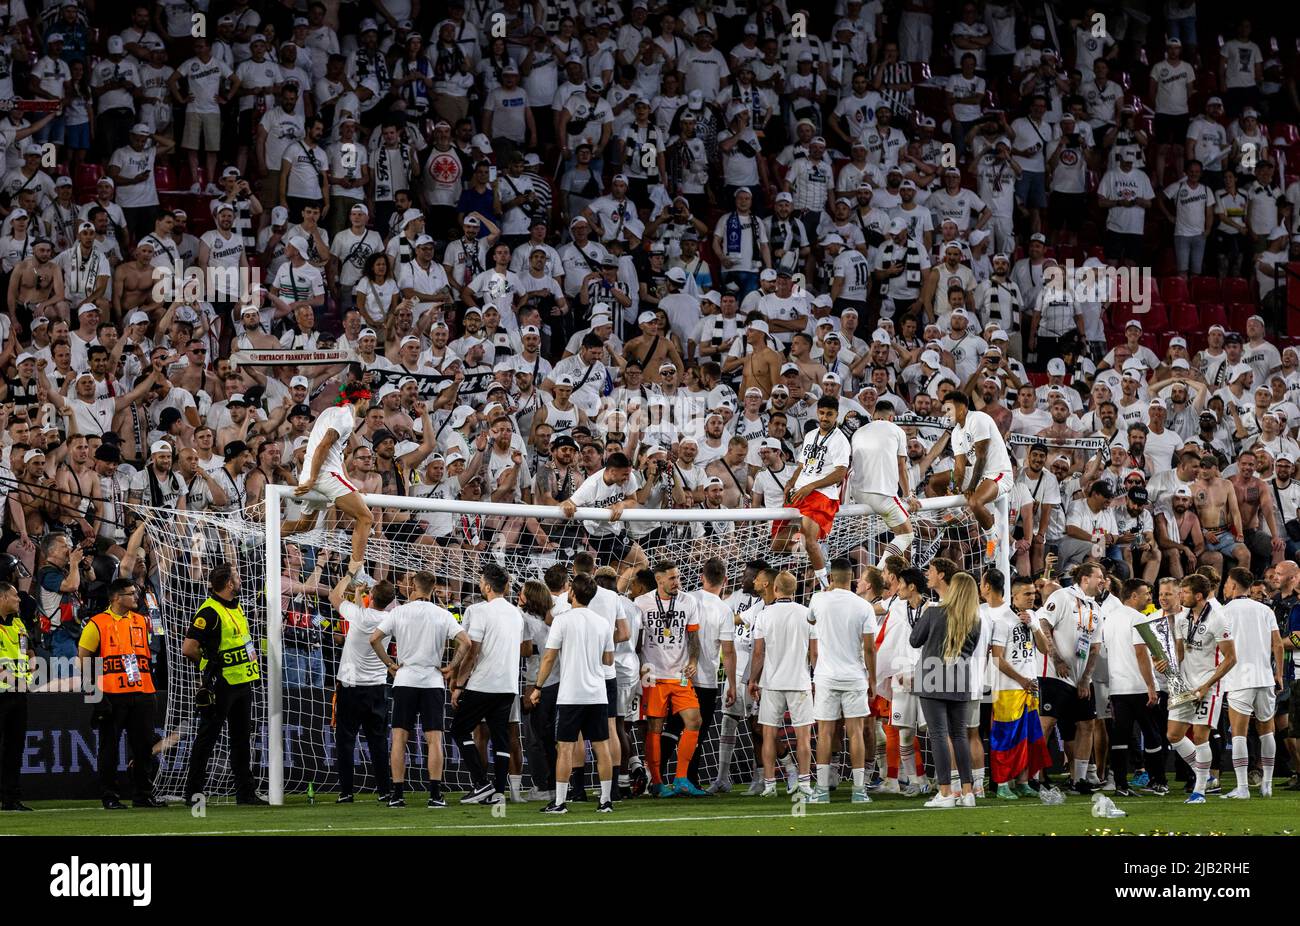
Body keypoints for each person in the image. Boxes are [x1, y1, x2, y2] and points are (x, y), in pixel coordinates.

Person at [371, 570, 469, 808]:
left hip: (405, 680)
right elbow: (466, 642)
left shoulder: (399, 612)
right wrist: (451, 667)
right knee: (434, 740)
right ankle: (435, 795)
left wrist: (390, 665)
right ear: (433, 589)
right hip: (432, 681)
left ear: (413, 586)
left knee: (399, 739)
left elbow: (374, 639)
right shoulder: (442, 614)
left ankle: (397, 795)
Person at [529, 573, 616, 814]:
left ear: (573, 594)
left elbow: (548, 657)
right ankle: (606, 801)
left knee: (565, 749)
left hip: (571, 695)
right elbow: (608, 660)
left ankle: (559, 802)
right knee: (602, 747)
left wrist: (537, 687)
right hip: (597, 694)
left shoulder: (562, 621)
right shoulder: (602, 623)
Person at [181, 563, 266, 806]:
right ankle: (194, 793)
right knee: (208, 738)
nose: (240, 580)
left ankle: (245, 793)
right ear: (229, 583)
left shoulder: (235, 607)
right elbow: (188, 648)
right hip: (221, 684)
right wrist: (209, 665)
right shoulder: (208, 612)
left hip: (242, 681)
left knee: (241, 739)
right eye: (237, 576)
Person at [78, 577, 165, 809]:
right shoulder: (97, 624)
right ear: (116, 597)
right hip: (112, 695)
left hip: (143, 691)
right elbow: (83, 661)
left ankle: (143, 794)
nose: (135, 597)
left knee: (144, 747)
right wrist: (95, 696)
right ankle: (109, 796)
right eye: (130, 593)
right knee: (109, 747)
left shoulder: (142, 621)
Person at [447, 562, 525, 805]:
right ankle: (498, 793)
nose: (479, 584)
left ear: (488, 586)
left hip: (483, 684)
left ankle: (481, 784)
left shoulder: (480, 611)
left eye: (481, 581)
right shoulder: (516, 613)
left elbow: (472, 651)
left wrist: (459, 683)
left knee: (459, 730)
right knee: (501, 738)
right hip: (508, 685)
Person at [908, 572, 984, 808]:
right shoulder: (975, 619)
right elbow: (969, 653)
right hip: (960, 678)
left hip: (932, 678)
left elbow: (914, 640)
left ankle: (945, 792)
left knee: (939, 734)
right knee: (960, 735)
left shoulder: (933, 612)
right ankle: (968, 791)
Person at [634, 559, 708, 798]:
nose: (678, 582)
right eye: (673, 578)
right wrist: (638, 667)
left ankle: (682, 778)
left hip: (680, 675)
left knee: (694, 720)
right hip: (653, 675)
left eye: (678, 577)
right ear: (659, 579)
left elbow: (693, 637)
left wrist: (694, 661)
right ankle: (656, 782)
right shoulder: (641, 603)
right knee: (654, 728)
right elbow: (635, 641)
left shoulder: (689, 601)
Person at [293, 379, 376, 582]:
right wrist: (313, 479)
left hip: (316, 473)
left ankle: (269, 535)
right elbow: (323, 446)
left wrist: (350, 485)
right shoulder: (345, 417)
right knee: (366, 518)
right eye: (369, 402)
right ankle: (356, 573)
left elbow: (336, 455)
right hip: (323, 476)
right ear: (363, 400)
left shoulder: (331, 412)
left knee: (304, 526)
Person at [809, 557, 876, 803]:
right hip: (855, 675)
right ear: (853, 577)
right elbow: (869, 650)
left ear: (831, 577)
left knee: (825, 733)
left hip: (826, 676)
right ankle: (859, 791)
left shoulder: (818, 599)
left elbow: (811, 620)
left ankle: (822, 791)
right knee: (856, 732)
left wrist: (826, 592)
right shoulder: (863, 607)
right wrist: (873, 679)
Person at [1166, 573, 1237, 804]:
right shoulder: (1181, 619)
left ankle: (1199, 792)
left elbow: (1231, 658)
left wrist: (1206, 685)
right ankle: (1204, 774)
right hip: (1185, 685)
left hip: (1209, 685)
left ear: (1198, 596)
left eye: (1184, 592)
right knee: (1174, 735)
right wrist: (1166, 664)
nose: (1180, 595)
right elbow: (1180, 652)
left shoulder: (1218, 619)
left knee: (1199, 736)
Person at [1038, 562, 1106, 795]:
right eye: (1099, 577)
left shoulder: (1096, 608)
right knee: (1046, 724)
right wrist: (1056, 658)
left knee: (1086, 725)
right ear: (1085, 579)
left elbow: (1095, 647)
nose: (1103, 581)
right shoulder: (1063, 596)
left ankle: (1078, 780)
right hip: (1053, 674)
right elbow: (1043, 622)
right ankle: (1036, 777)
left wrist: (1086, 678)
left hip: (1078, 678)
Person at [328, 571, 396, 804]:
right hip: (377, 687)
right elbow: (365, 616)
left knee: (345, 739)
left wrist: (348, 575)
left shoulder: (359, 615)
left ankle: (347, 791)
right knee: (378, 741)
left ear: (372, 596)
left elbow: (333, 596)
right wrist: (359, 594)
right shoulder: (389, 619)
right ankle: (384, 790)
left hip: (351, 686)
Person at [748, 570, 816, 798]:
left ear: (775, 589)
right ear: (794, 590)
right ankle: (805, 784)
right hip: (799, 681)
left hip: (772, 682)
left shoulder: (764, 615)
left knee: (768, 735)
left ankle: (769, 785)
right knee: (803, 736)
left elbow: (758, 653)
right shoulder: (807, 614)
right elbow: (814, 653)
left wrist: (752, 680)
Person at [773, 395, 850, 589]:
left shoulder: (840, 440)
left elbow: (840, 474)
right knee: (776, 542)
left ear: (836, 415)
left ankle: (825, 586)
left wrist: (811, 486)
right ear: (817, 412)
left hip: (821, 495)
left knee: (809, 540)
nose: (825, 417)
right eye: (822, 413)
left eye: (829, 414)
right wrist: (791, 482)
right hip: (800, 491)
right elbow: (801, 465)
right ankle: (803, 550)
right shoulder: (810, 435)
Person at [1220, 567, 1284, 800]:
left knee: (1239, 734)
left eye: (1227, 583)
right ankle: (1267, 784)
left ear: (1234, 586)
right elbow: (1277, 644)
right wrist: (1278, 675)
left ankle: (1243, 788)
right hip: (1265, 678)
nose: (1225, 587)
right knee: (1267, 732)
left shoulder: (1224, 612)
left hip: (1239, 680)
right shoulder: (1265, 609)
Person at [1105, 578, 1169, 796]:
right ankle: (1159, 781)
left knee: (1120, 737)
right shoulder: (1140, 619)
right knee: (1152, 735)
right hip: (1139, 687)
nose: (1150, 598)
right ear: (1133, 596)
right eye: (1146, 594)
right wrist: (1151, 686)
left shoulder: (1109, 619)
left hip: (1117, 688)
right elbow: (1142, 653)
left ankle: (1120, 785)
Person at [941, 390, 1014, 560]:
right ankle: (957, 511)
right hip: (979, 475)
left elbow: (981, 457)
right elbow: (959, 469)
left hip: (998, 473)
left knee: (974, 501)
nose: (946, 413)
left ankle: (992, 538)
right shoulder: (956, 433)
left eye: (949, 409)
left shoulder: (978, 419)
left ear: (962, 408)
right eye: (945, 410)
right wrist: (954, 488)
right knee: (936, 481)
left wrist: (971, 487)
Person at [848, 399, 914, 567]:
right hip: (881, 495)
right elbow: (901, 467)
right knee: (906, 535)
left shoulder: (858, 432)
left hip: (856, 493)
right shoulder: (897, 430)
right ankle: (877, 571)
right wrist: (908, 496)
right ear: (891, 418)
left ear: (873, 416)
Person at [0, 582, 34, 811]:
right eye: (14, 596)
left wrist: (32, 666)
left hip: (18, 694)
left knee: (15, 747)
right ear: (2, 597)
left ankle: (11, 797)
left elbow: (29, 650)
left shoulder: (19, 623)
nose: (19, 599)